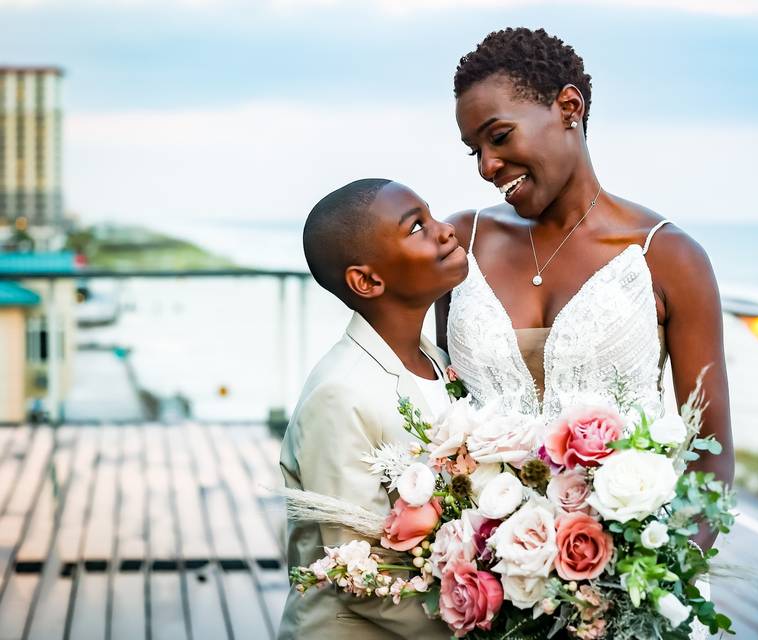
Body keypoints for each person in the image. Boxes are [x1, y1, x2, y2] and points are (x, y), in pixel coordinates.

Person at [436, 27, 734, 554]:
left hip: (627, 594)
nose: (487, 166)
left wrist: (656, 575)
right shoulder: (463, 242)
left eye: (499, 137)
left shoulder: (668, 257)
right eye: (474, 151)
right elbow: (442, 402)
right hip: (485, 589)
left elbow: (709, 456)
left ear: (568, 107)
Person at [278, 179, 468, 639]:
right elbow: (356, 573)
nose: (445, 230)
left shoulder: (440, 363)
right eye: (417, 226)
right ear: (367, 280)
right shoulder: (339, 393)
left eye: (432, 214)